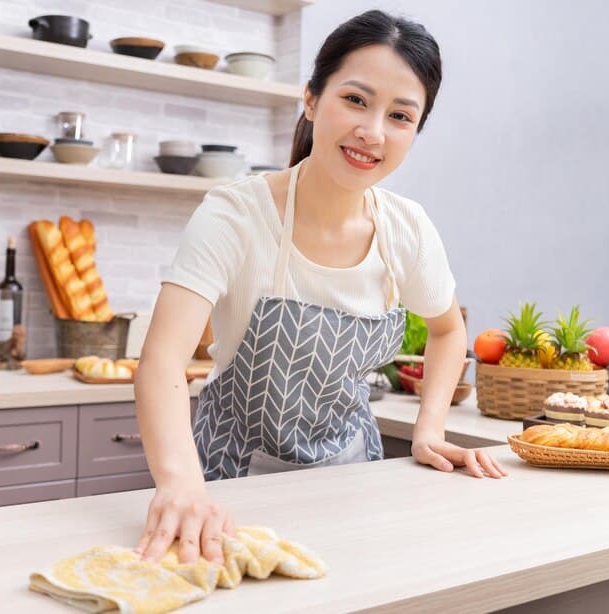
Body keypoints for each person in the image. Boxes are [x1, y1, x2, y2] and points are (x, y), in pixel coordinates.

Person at [133, 9, 508, 567]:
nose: (372, 132)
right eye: (355, 100)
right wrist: (180, 483)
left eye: (400, 116)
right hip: (229, 488)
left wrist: (430, 428)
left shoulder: (407, 229)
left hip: (354, 482)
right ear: (311, 99)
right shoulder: (236, 214)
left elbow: (449, 331)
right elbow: (161, 363)